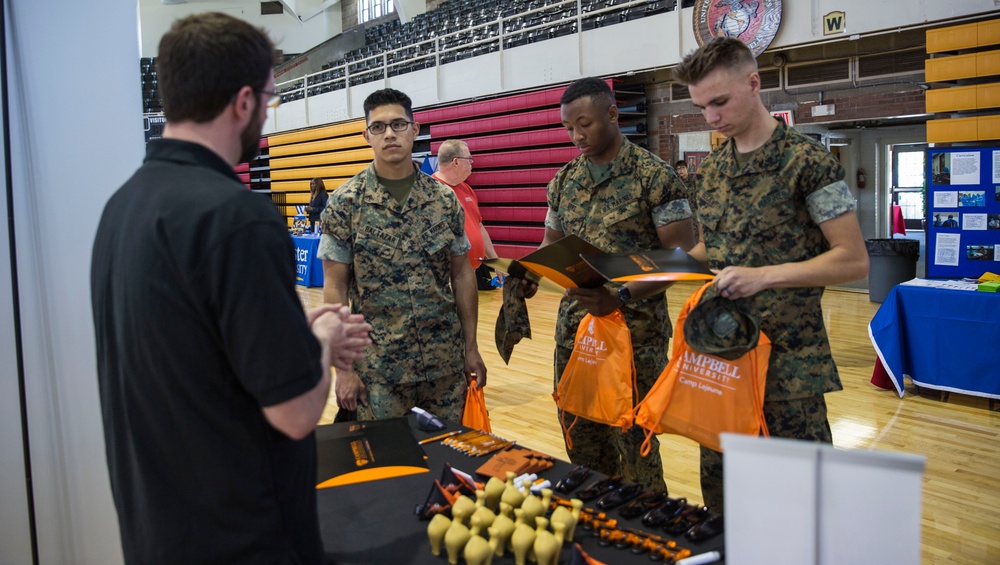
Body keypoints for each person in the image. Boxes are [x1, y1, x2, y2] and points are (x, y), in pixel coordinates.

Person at [90, 13, 371, 564]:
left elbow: (200, 355)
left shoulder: (121, 208)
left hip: (160, 526)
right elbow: (293, 414)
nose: (266, 113)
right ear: (243, 102)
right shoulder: (237, 218)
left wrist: (297, 335)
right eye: (268, 98)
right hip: (242, 534)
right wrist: (323, 339)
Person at [672, 37, 868, 510]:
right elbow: (712, 247)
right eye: (702, 108)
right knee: (724, 502)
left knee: (799, 503)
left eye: (719, 101)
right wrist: (657, 269)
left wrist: (763, 277)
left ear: (754, 83)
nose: (711, 117)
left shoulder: (808, 163)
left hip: (788, 369)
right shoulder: (713, 170)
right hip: (721, 359)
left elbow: (852, 259)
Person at [526, 77, 695, 492]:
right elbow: (551, 243)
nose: (576, 136)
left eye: (583, 124)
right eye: (568, 127)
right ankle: (595, 529)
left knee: (634, 441)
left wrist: (618, 295)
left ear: (613, 114)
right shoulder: (563, 181)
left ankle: (646, 537)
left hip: (634, 335)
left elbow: (680, 257)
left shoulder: (655, 178)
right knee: (580, 439)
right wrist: (530, 273)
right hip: (576, 332)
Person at [319, 88, 486, 422]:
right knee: (389, 469)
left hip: (444, 367)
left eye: (398, 124)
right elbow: (335, 288)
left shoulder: (444, 200)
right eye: (378, 127)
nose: (390, 134)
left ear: (415, 129)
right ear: (366, 135)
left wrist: (471, 348)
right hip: (378, 371)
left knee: (447, 462)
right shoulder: (346, 202)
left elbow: (462, 274)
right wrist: (344, 369)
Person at [433, 139, 499, 270]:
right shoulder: (430, 192)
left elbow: (478, 226)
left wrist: (495, 261)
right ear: (456, 162)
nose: (471, 162)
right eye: (469, 158)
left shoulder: (467, 189)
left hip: (470, 272)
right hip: (446, 276)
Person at [675, 159, 700, 241]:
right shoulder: (677, 183)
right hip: (682, 212)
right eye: (678, 169)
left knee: (695, 233)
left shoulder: (694, 180)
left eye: (682, 168)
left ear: (687, 168)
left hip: (693, 210)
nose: (680, 171)